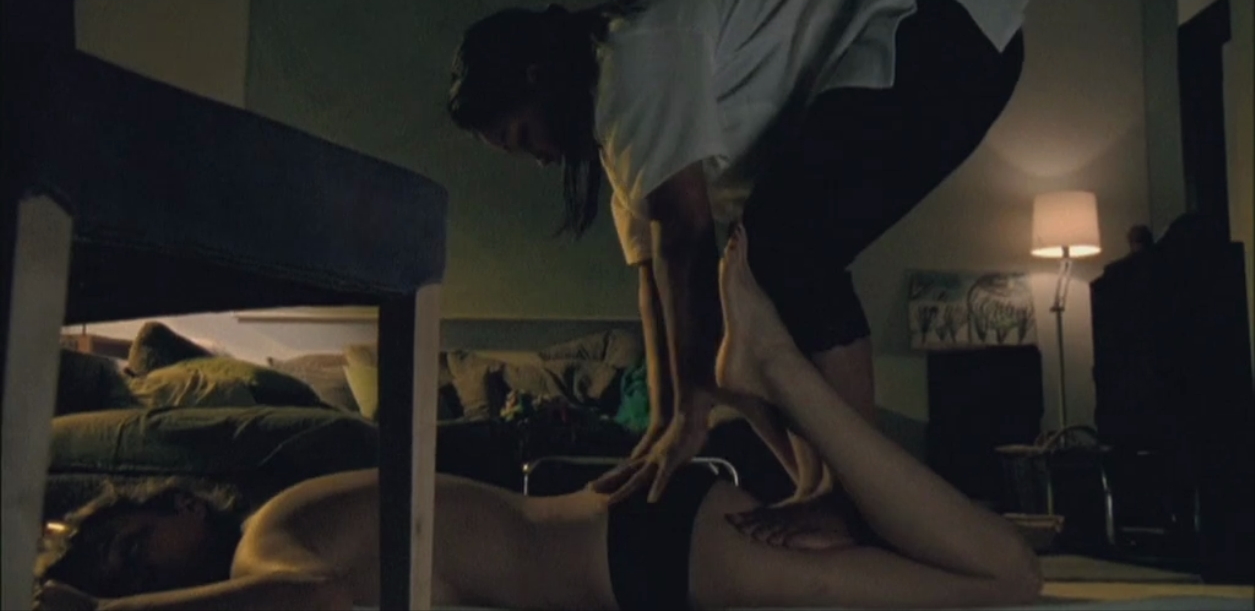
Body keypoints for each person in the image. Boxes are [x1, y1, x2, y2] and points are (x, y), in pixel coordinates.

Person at [33, 226, 1043, 611]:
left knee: (1003, 578)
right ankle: (765, 389)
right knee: (957, 557)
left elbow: (311, 603)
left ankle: (772, 370)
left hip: (643, 558)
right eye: (126, 576)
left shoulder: (271, 537)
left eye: (131, 548)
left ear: (178, 501)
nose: (144, 574)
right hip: (640, 535)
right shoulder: (295, 515)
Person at [445, 0, 1027, 541]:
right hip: (937, 27)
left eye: (521, 136)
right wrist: (663, 422)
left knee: (782, 252)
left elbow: (685, 234)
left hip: (939, 15)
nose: (538, 159)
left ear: (537, 78)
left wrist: (692, 412)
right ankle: (831, 495)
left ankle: (849, 500)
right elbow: (655, 281)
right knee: (759, 274)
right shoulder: (620, 130)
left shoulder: (632, 57)